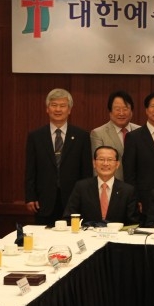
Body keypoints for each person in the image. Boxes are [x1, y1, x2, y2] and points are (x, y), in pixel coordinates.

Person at [25, 88, 92, 226]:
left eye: (62, 105)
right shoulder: (35, 136)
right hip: (43, 201)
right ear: (47, 109)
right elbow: (30, 169)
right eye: (54, 105)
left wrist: (85, 198)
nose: (58, 109)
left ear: (69, 110)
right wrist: (30, 196)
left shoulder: (82, 136)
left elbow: (86, 171)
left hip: (73, 200)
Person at [123, 92, 154, 216]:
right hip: (144, 198)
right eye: (153, 106)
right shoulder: (133, 137)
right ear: (146, 110)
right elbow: (129, 172)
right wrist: (135, 199)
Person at [64, 146, 139, 225]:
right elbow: (69, 217)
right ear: (94, 163)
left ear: (117, 164)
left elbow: (133, 224)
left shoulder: (127, 190)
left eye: (110, 160)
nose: (105, 163)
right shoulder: (81, 187)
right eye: (101, 159)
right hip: (87, 232)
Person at [90, 90, 140, 180]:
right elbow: (97, 167)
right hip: (112, 184)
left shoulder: (140, 131)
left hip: (137, 184)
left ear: (131, 112)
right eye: (117, 109)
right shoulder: (98, 133)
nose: (121, 113)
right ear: (110, 112)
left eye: (125, 109)